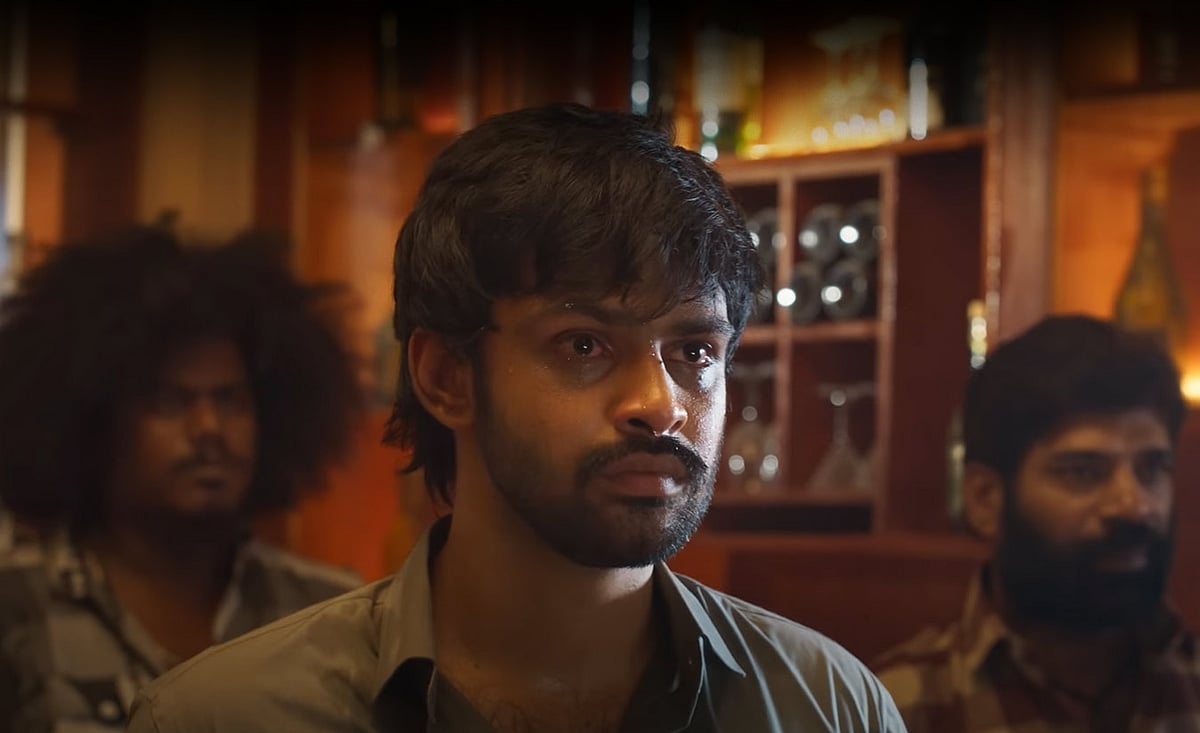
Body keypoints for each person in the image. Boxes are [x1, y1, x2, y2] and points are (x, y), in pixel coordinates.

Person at [124, 103, 905, 732]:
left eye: (695, 351)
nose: (660, 403)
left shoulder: (829, 707)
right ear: (445, 376)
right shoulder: (224, 716)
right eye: (584, 344)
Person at [0, 227, 368, 731]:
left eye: (230, 400)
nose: (209, 428)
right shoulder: (15, 608)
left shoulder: (332, 613)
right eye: (171, 401)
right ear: (96, 422)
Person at [873, 315, 1196, 731]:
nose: (1133, 506)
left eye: (1151, 470)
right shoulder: (892, 708)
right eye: (1083, 472)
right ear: (985, 500)